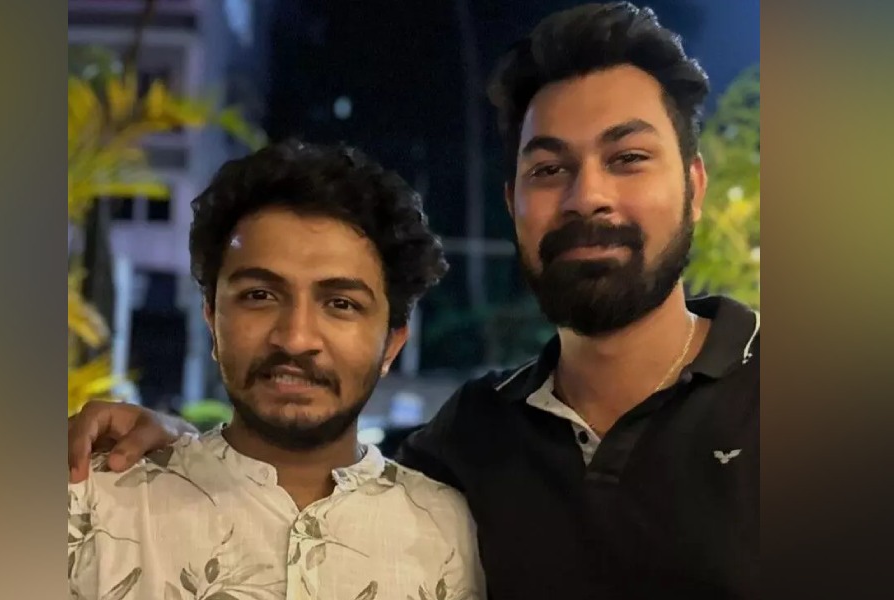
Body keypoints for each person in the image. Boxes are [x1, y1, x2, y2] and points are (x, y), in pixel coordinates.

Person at [69, 3, 759, 598]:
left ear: (695, 184)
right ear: (513, 202)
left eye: (628, 158)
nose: (588, 196)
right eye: (549, 168)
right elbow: (294, 463)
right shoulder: (470, 442)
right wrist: (179, 451)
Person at [68, 140, 485, 600]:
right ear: (212, 318)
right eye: (259, 296)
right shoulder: (91, 505)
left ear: (391, 344)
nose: (295, 338)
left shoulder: (455, 537)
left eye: (340, 303)